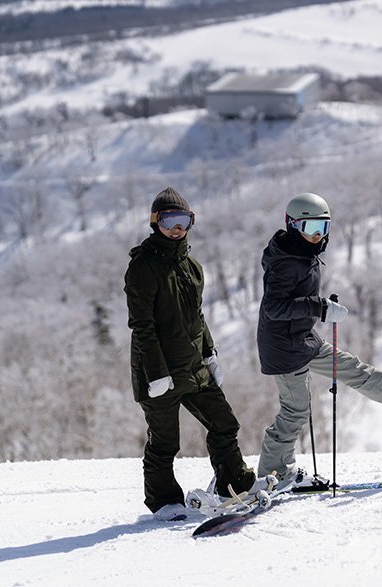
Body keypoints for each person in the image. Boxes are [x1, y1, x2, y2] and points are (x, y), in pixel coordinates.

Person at [256, 192, 382, 486]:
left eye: (322, 229)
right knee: (296, 411)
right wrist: (320, 307)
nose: (316, 237)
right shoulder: (287, 262)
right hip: (284, 348)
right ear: (292, 226)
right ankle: (272, 474)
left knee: (351, 368)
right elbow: (274, 307)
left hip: (302, 339)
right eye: (310, 229)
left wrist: (317, 307)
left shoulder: (300, 254)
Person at [124, 187, 256, 521]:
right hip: (159, 372)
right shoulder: (143, 268)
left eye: (183, 220)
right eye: (169, 220)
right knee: (164, 442)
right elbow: (142, 327)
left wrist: (210, 354)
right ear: (156, 223)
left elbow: (196, 317)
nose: (176, 228)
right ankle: (165, 502)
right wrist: (156, 374)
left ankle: (234, 484)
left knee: (225, 423)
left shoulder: (192, 267)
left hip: (193, 366)